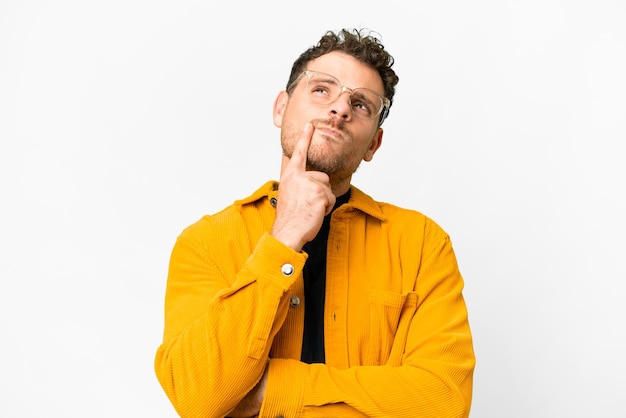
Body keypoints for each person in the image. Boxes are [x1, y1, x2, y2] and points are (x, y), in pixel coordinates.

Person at [154, 28, 475, 418]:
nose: (340, 108)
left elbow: (444, 401)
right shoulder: (206, 242)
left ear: (373, 143)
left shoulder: (423, 244)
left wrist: (272, 390)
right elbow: (199, 396)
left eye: (361, 105)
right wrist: (285, 236)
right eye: (322, 90)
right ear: (280, 109)